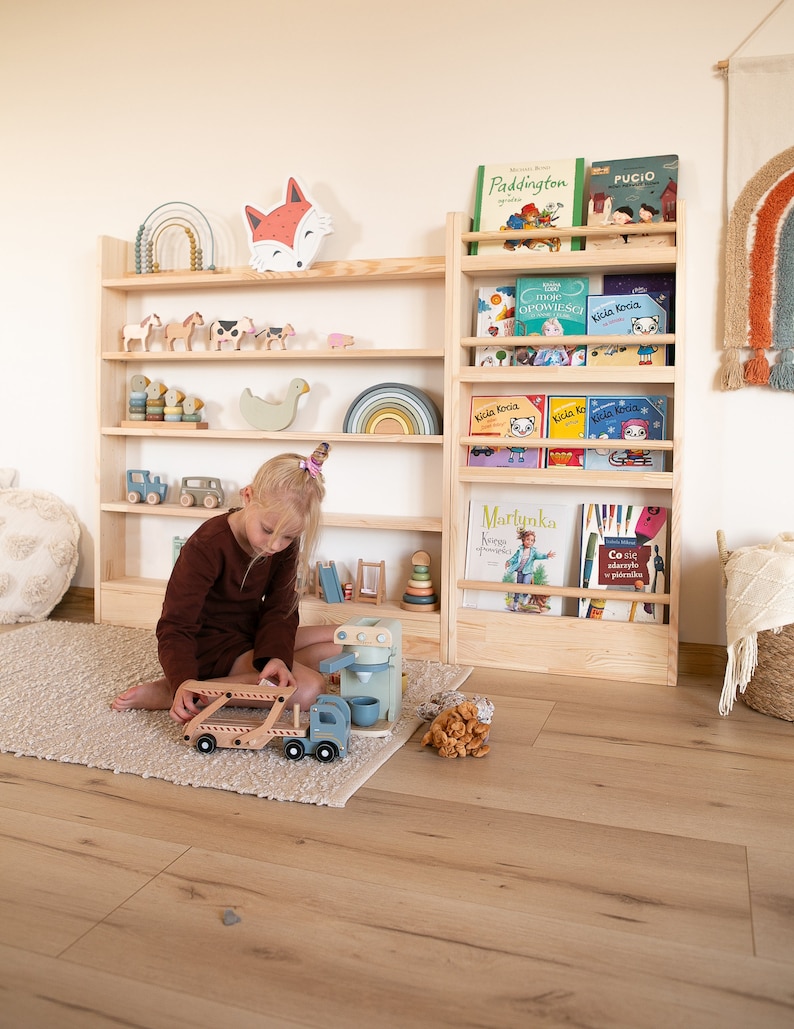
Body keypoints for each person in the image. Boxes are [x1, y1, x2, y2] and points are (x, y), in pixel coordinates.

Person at [112, 442, 340, 723]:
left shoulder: (283, 541)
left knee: (341, 640)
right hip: (210, 644)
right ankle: (188, 690)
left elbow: (280, 609)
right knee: (309, 688)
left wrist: (277, 658)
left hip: (249, 631)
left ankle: (244, 675)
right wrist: (183, 678)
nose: (275, 544)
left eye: (288, 537)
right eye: (268, 531)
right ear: (248, 496)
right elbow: (175, 626)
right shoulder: (207, 545)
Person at [504, 528, 556, 612]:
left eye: (532, 540)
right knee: (518, 587)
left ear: (533, 542)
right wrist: (509, 562)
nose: (529, 542)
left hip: (528, 572)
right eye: (528, 540)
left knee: (525, 584)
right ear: (523, 540)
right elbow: (514, 558)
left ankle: (525, 596)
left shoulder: (533, 552)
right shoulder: (520, 551)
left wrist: (546, 555)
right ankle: (516, 602)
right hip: (520, 571)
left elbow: (540, 555)